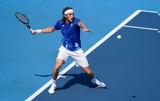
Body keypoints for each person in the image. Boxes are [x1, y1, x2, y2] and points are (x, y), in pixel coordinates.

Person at [31, 7, 106, 94]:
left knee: (88, 72)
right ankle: (53, 84)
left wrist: (84, 28)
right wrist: (37, 31)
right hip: (65, 48)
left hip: (76, 51)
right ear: (65, 15)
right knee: (57, 67)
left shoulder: (76, 21)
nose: (72, 16)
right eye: (70, 14)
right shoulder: (60, 23)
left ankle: (95, 80)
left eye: (73, 14)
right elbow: (51, 29)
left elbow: (81, 24)